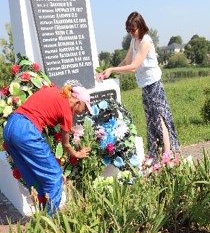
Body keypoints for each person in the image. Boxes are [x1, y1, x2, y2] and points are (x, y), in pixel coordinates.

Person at [97, 11, 180, 160]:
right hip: (145, 85)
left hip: (154, 84)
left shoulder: (146, 41)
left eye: (133, 30)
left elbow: (134, 66)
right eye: (128, 30)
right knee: (151, 120)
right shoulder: (133, 41)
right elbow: (127, 62)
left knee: (160, 118)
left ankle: (168, 154)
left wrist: (112, 70)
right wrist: (109, 71)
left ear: (141, 27)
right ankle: (157, 154)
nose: (131, 33)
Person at [3, 83, 93, 214]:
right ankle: (50, 223)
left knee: (33, 178)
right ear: (78, 102)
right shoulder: (67, 111)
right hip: (26, 131)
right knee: (54, 176)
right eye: (85, 109)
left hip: (11, 127)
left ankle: (41, 215)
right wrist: (77, 154)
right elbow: (66, 144)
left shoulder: (53, 91)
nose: (83, 113)